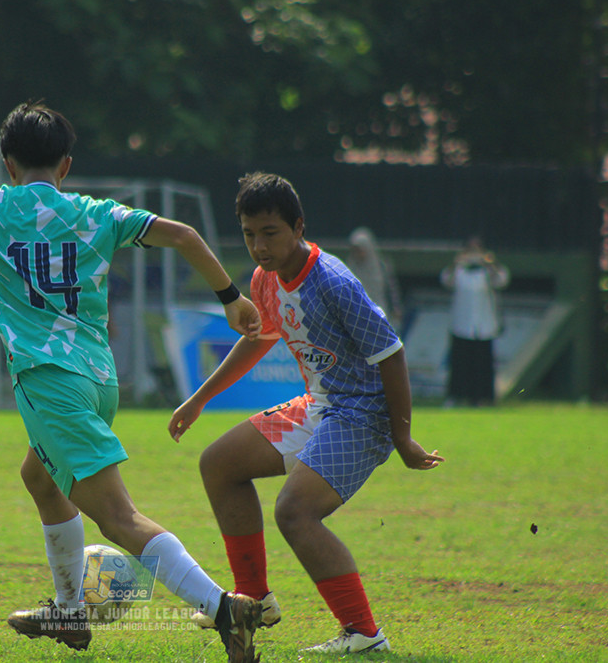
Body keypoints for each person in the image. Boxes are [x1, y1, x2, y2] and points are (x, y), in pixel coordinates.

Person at [0, 101, 264, 663]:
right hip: (97, 380)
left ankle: (223, 609)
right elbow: (185, 235)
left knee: (117, 518)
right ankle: (70, 610)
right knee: (40, 479)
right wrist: (231, 299)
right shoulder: (96, 213)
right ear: (65, 165)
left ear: (7, 164)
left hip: (48, 382)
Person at [167, 172, 444, 654]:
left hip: (363, 413)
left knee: (294, 512)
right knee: (218, 464)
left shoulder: (333, 281)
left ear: (298, 227)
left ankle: (364, 635)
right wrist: (199, 398)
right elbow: (259, 340)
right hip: (320, 406)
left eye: (269, 232)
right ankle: (254, 600)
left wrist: (402, 438)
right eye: (249, 233)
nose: (259, 245)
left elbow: (391, 354)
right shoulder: (263, 278)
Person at [440, 236, 510, 407]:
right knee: (460, 363)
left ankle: (482, 398)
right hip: (462, 324)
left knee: (482, 364)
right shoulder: (460, 271)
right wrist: (456, 263)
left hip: (484, 325)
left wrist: (490, 263)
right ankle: (456, 396)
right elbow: (446, 281)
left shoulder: (487, 272)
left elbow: (502, 280)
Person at [346, 227, 403, 329]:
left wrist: (396, 308)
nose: (358, 254)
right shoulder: (349, 269)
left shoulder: (382, 266)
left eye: (360, 250)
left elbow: (392, 289)